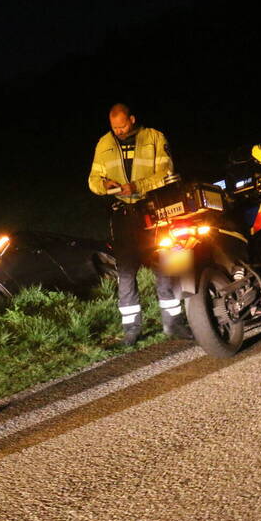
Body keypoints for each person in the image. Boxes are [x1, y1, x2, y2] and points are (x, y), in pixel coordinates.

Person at [87, 103, 188, 345]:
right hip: (122, 216)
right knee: (126, 273)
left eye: (122, 126)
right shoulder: (104, 143)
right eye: (114, 127)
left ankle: (173, 323)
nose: (119, 131)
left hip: (153, 211)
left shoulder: (154, 138)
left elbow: (166, 172)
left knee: (165, 266)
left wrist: (138, 186)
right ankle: (131, 330)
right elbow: (93, 179)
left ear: (132, 119)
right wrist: (105, 186)